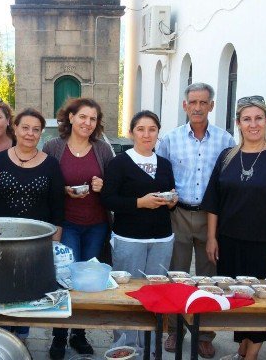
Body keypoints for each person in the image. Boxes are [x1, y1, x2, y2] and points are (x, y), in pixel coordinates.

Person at [203, 96, 266, 360]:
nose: (253, 124)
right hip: (230, 243)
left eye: (259, 118)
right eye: (247, 119)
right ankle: (241, 351)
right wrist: (211, 238)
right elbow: (214, 201)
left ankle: (251, 356)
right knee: (239, 301)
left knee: (262, 302)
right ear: (238, 123)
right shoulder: (226, 157)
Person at [156, 82, 235, 357]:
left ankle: (204, 333)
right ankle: (174, 330)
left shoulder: (226, 140)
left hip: (210, 217)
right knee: (176, 274)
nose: (198, 107)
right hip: (177, 213)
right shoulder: (170, 139)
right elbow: (161, 174)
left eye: (203, 102)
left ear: (211, 105)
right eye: (193, 102)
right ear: (184, 105)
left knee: (207, 275)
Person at [0, 108, 65, 342]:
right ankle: (1, 335)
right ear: (14, 128)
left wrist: (55, 242)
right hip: (0, 240)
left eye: (35, 130)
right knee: (0, 287)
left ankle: (22, 338)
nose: (30, 133)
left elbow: (58, 208)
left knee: (28, 289)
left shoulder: (52, 165)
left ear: (41, 134)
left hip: (34, 242)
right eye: (25, 128)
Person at [43, 98, 114, 360]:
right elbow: (46, 182)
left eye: (92, 119)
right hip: (66, 223)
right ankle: (59, 336)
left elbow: (113, 187)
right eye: (82, 117)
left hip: (96, 224)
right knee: (66, 278)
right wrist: (63, 190)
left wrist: (102, 186)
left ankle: (79, 334)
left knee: (88, 281)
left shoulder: (102, 149)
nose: (87, 123)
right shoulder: (54, 147)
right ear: (70, 117)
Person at [101, 110, 177, 350]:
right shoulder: (119, 163)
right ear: (132, 132)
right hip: (129, 237)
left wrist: (172, 200)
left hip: (162, 238)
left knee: (156, 294)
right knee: (128, 293)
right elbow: (108, 199)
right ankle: (124, 346)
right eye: (141, 129)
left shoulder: (164, 163)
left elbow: (170, 193)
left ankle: (151, 346)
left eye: (152, 129)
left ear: (158, 133)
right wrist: (138, 203)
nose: (146, 134)